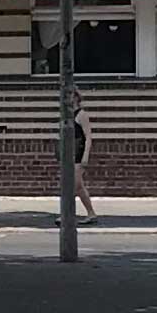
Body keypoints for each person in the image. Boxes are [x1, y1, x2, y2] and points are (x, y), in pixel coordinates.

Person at [62, 87, 99, 225]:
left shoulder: (81, 115)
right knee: (78, 186)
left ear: (76, 97)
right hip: (70, 153)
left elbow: (88, 136)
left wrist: (86, 156)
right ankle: (90, 213)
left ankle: (67, 214)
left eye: (70, 96)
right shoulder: (68, 115)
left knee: (74, 184)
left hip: (79, 152)